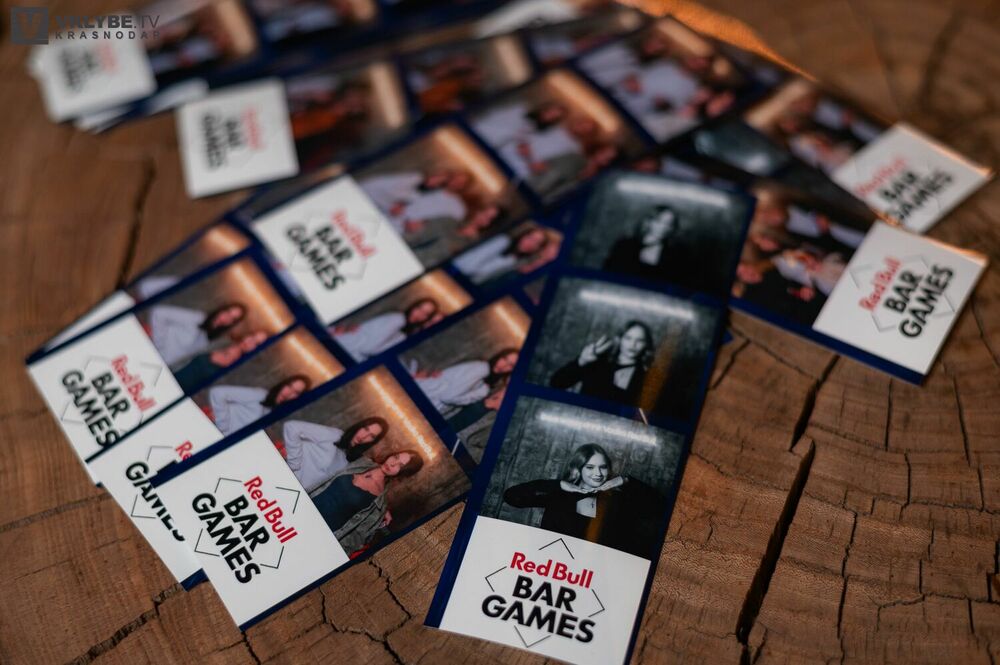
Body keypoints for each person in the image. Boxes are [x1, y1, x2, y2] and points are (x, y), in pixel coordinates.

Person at [502, 443, 664, 556]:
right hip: (556, 571)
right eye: (590, 467)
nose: (598, 473)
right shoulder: (558, 496)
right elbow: (511, 497)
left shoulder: (617, 500)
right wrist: (558, 484)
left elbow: (661, 507)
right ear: (578, 469)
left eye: (603, 467)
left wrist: (625, 480)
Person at [310, 450, 424, 552]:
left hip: (321, 535)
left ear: (403, 472)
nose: (393, 463)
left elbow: (354, 540)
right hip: (306, 505)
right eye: (396, 457)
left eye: (400, 465)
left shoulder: (379, 505)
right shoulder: (362, 461)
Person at [549, 321, 654, 406]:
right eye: (628, 338)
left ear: (646, 344)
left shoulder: (645, 377)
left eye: (640, 340)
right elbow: (556, 383)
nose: (633, 344)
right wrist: (581, 361)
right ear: (620, 339)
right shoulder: (597, 361)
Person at [282, 416, 389, 493]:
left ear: (373, 441)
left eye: (371, 436)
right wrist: (293, 464)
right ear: (360, 426)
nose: (364, 436)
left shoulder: (350, 458)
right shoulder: (335, 435)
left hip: (294, 492)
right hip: (284, 479)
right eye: (366, 429)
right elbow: (291, 427)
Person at [412, 348, 519, 419]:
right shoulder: (482, 369)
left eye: (510, 365)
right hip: (426, 397)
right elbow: (447, 397)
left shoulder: (484, 375)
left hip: (427, 396)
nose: (504, 366)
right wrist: (478, 394)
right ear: (499, 356)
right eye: (505, 359)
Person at [332, 298, 441, 361]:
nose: (420, 314)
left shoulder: (403, 331)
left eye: (426, 314)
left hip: (349, 349)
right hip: (345, 346)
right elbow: (369, 348)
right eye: (419, 308)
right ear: (413, 306)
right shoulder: (398, 319)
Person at [147, 301, 247, 369]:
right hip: (150, 355)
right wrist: (158, 344)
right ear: (222, 309)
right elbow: (159, 312)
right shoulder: (197, 318)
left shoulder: (211, 337)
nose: (227, 318)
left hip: (161, 368)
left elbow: (187, 356)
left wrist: (173, 368)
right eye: (228, 312)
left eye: (233, 318)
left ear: (231, 323)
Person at [603, 204, 687, 283]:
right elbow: (608, 273)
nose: (663, 227)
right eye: (659, 221)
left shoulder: (674, 255)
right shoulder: (625, 245)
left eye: (669, 224)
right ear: (649, 221)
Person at [207, 375, 311, 436]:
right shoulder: (261, 395)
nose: (288, 393)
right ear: (283, 384)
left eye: (296, 392)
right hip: (213, 433)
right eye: (289, 386)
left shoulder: (273, 411)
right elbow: (217, 392)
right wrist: (222, 426)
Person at [452, 226, 552, 285]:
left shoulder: (518, 262)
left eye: (537, 243)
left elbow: (486, 279)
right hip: (457, 270)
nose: (531, 243)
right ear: (523, 235)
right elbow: (472, 266)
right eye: (530, 237)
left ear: (537, 249)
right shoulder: (503, 240)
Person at [173, 331, 267, 391]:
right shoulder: (224, 340)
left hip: (184, 394)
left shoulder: (239, 368)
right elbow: (191, 354)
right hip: (173, 375)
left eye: (256, 343)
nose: (250, 341)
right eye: (253, 336)